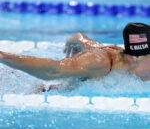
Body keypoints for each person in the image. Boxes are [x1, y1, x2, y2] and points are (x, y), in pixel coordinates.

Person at [0, 22, 150, 93]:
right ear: (136, 56)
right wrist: (3, 56)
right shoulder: (100, 62)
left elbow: (82, 38)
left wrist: (76, 39)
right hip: (45, 95)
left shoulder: (122, 58)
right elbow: (52, 70)